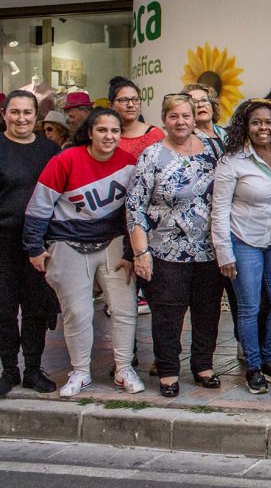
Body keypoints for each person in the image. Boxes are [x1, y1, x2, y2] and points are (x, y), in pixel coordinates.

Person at [24, 108, 143, 398]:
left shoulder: (129, 163)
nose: (109, 136)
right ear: (89, 132)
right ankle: (80, 371)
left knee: (125, 309)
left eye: (115, 131)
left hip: (112, 242)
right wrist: (35, 247)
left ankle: (124, 368)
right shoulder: (66, 159)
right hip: (68, 243)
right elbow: (39, 206)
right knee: (77, 313)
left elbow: (133, 213)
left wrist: (131, 252)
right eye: (102, 130)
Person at [126, 93, 222, 397]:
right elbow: (135, 206)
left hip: (209, 249)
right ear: (164, 120)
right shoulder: (152, 155)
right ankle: (168, 371)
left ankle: (203, 366)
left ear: (195, 119)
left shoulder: (213, 149)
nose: (181, 122)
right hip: (165, 250)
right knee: (168, 313)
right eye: (174, 116)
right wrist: (140, 252)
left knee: (208, 310)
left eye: (186, 116)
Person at [211, 99, 271, 395]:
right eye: (257, 122)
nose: (263, 128)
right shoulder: (232, 161)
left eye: (269, 122)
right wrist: (224, 252)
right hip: (242, 240)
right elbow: (219, 210)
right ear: (245, 126)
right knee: (249, 308)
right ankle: (254, 367)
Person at [0, 91, 60, 396]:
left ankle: (33, 371)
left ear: (36, 116)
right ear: (4, 114)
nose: (21, 118)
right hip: (3, 242)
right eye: (15, 112)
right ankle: (9, 370)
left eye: (27, 112)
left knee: (36, 308)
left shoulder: (49, 150)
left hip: (38, 243)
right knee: (4, 309)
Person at [109, 76, 164, 158]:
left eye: (135, 99)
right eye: (124, 100)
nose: (131, 105)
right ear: (111, 105)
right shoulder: (105, 135)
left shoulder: (154, 135)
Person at [182, 83, 228, 157]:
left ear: (213, 107)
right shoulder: (185, 141)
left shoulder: (229, 135)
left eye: (204, 100)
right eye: (194, 102)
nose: (200, 105)